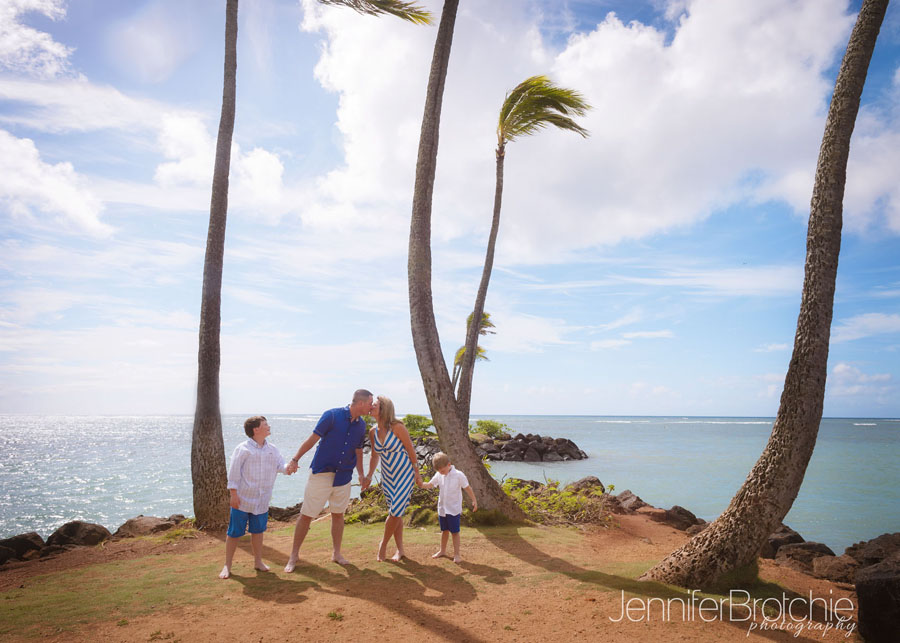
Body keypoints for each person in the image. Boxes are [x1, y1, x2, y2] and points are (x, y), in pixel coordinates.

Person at [283, 389, 373, 570]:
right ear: (361, 403)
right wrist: (295, 459)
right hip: (321, 473)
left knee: (338, 514)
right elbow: (312, 439)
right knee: (307, 514)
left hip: (344, 475)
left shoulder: (361, 425)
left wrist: (362, 474)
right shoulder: (331, 416)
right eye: (370, 403)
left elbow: (357, 451)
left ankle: (336, 554)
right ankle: (293, 556)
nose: (371, 407)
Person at [219, 416, 291, 579]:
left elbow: (281, 466)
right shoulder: (242, 449)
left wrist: (290, 468)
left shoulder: (272, 449)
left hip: (262, 500)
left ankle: (258, 562)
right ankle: (227, 565)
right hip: (243, 499)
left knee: (258, 532)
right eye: (265, 425)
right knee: (234, 533)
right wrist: (233, 494)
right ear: (256, 429)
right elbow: (234, 473)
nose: (269, 426)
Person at [365, 395, 419, 561]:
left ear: (383, 408)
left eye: (374, 404)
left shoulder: (397, 427)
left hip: (405, 474)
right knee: (397, 513)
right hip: (388, 477)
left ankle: (383, 544)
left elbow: (410, 450)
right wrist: (368, 476)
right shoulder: (373, 431)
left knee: (395, 511)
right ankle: (400, 550)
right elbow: (375, 456)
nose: (371, 406)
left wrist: (417, 473)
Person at [417, 451, 477, 563]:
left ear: (449, 465)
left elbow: (467, 488)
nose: (442, 473)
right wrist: (421, 484)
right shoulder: (439, 474)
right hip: (442, 509)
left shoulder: (459, 475)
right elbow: (430, 484)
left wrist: (474, 500)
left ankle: (457, 554)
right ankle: (442, 551)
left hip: (453, 509)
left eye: (443, 470)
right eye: (439, 471)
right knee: (444, 530)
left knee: (455, 532)